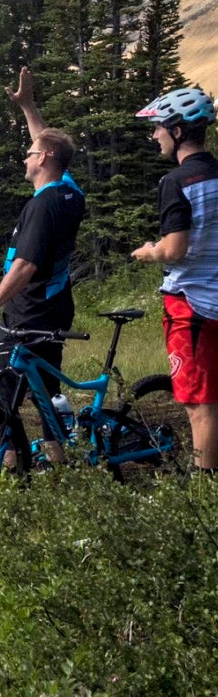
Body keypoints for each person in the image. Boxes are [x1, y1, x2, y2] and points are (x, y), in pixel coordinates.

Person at [0, 67, 86, 466]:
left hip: (28, 310)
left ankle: (10, 471)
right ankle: (58, 460)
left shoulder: (42, 205)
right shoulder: (70, 191)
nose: (26, 155)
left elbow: (25, 266)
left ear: (44, 159)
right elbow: (49, 143)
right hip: (55, 306)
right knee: (45, 388)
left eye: (31, 152)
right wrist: (29, 107)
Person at [130, 86, 218, 473]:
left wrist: (149, 251)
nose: (154, 136)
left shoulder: (176, 181)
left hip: (192, 302)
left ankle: (204, 494)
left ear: (178, 131)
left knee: (200, 405)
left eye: (159, 128)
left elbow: (175, 249)